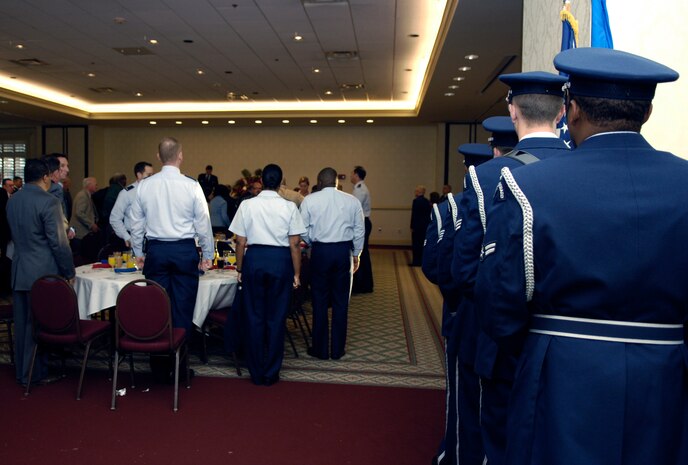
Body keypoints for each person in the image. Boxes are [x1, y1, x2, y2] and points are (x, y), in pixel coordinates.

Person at [475, 48, 685, 465]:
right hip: (667, 379)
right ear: (647, 112)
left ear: (571, 111)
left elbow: (499, 302)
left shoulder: (528, 186)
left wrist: (541, 348)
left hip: (562, 376)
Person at [452, 73, 569, 465]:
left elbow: (466, 271)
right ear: (563, 113)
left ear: (512, 110)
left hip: (503, 341)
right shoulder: (583, 167)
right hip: (573, 349)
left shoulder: (486, 176)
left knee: (500, 441)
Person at [427, 143, 492, 465]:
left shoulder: (453, 208)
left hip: (463, 313)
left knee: (465, 397)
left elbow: (437, 267)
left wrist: (454, 299)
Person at [229, 164, 305, 386]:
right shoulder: (289, 207)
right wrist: (297, 274)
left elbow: (240, 242)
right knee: (276, 318)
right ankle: (271, 372)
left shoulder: (247, 205)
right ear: (281, 182)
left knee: (253, 317)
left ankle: (255, 371)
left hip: (255, 260)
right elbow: (295, 244)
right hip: (281, 262)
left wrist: (240, 269)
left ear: (261, 180)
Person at [130, 137, 213, 335]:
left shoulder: (145, 185)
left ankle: (158, 363)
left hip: (156, 251)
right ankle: (180, 364)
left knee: (155, 306)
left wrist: (138, 252)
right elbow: (203, 223)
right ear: (181, 156)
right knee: (183, 309)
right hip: (184, 251)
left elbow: (136, 223)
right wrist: (208, 255)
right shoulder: (191, 185)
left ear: (158, 157)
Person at [7, 158, 75, 386]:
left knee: (22, 324)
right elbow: (58, 242)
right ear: (46, 177)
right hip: (43, 272)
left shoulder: (13, 200)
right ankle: (34, 373)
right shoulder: (49, 202)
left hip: (19, 268)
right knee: (38, 325)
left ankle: (22, 371)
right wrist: (68, 271)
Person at [300, 167, 364, 360]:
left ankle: (320, 350)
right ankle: (337, 350)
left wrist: (312, 241)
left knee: (319, 300)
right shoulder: (352, 201)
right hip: (342, 252)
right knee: (340, 301)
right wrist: (356, 254)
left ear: (319, 182)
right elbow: (359, 231)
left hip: (320, 252)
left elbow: (301, 229)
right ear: (336, 182)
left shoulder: (310, 200)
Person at [109, 161, 154, 248]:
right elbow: (114, 218)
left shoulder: (154, 191)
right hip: (134, 238)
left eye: (153, 175)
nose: (151, 178)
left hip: (152, 239)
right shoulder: (127, 193)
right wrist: (127, 237)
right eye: (148, 175)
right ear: (139, 175)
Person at [350, 165, 373, 293]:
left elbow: (355, 210)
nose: (350, 175)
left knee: (360, 253)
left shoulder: (360, 190)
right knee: (363, 254)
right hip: (363, 222)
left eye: (352, 173)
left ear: (356, 175)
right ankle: (365, 284)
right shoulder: (359, 188)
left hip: (362, 223)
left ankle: (363, 285)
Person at [69, 177, 99, 261]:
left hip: (81, 233)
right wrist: (91, 224)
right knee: (79, 257)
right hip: (80, 233)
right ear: (89, 185)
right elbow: (79, 213)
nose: (97, 186)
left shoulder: (86, 195)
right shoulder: (83, 196)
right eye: (95, 184)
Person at [410, 184, 431, 266]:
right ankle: (421, 261)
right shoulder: (427, 201)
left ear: (419, 192)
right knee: (422, 244)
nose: (415, 192)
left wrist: (412, 226)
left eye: (416, 190)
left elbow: (414, 215)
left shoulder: (416, 201)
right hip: (424, 226)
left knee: (416, 244)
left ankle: (416, 261)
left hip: (417, 226)